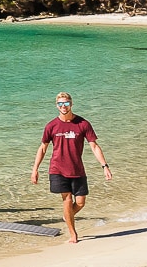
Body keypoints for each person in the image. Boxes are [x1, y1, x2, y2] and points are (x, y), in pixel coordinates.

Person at [31, 92, 111, 244]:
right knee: (67, 199)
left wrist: (104, 166)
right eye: (60, 104)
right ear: (57, 106)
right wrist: (35, 169)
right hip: (58, 169)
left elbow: (94, 146)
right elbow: (42, 148)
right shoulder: (51, 126)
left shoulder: (83, 124)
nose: (63, 107)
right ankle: (73, 234)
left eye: (66, 104)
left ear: (71, 104)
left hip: (77, 169)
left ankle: (67, 216)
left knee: (80, 202)